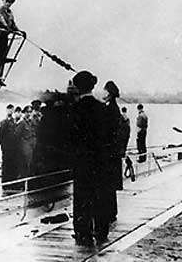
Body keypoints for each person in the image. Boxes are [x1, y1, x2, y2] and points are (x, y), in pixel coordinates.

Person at [70, 71, 110, 246]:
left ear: (78, 87)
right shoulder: (102, 108)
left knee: (82, 197)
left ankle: (83, 232)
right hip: (99, 161)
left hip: (81, 162)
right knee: (99, 195)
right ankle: (101, 230)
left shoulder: (75, 109)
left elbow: (70, 138)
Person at [102, 81, 122, 222]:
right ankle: (111, 212)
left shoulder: (110, 109)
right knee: (110, 185)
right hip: (113, 151)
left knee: (107, 184)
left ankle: (109, 212)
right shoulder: (115, 108)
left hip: (108, 152)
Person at [0, 104, 18, 185]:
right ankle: (5, 182)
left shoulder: (15, 121)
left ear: (13, 111)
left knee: (14, 164)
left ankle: (13, 182)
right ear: (6, 110)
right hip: (6, 147)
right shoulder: (3, 122)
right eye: (9, 109)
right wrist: (2, 145)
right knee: (6, 164)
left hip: (14, 147)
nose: (10, 111)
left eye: (11, 109)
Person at [15, 105, 36, 179]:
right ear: (24, 113)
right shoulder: (22, 123)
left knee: (31, 165)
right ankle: (24, 183)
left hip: (32, 147)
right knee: (25, 165)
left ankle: (30, 183)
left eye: (30, 112)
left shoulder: (32, 122)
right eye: (27, 112)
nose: (29, 113)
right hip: (25, 148)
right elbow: (16, 135)